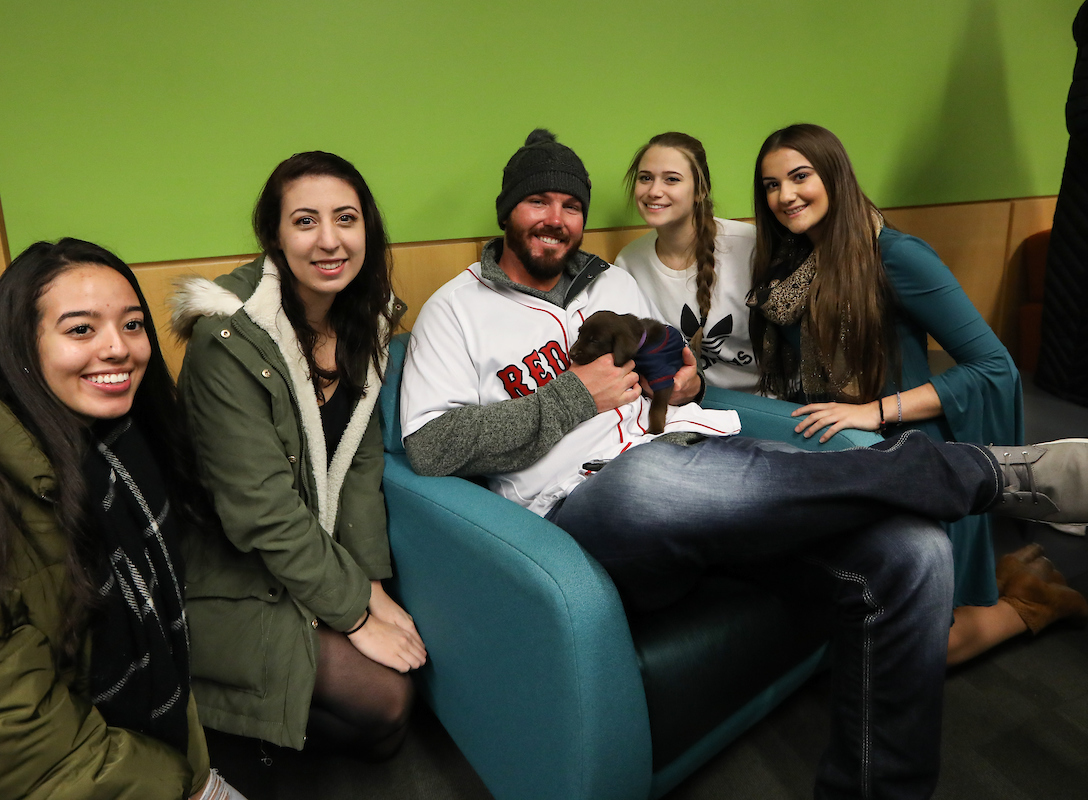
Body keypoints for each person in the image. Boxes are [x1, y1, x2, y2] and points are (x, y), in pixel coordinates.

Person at [399, 128, 1088, 800]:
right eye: (537, 201)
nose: (555, 219)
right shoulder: (454, 311)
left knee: (914, 552)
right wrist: (575, 395)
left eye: (570, 205)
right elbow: (431, 448)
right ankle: (977, 474)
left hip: (709, 467)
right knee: (648, 479)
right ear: (507, 211)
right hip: (597, 505)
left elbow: (670, 368)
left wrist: (681, 376)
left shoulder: (611, 281)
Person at [0, 239, 244, 799]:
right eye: (81, 330)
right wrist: (188, 788)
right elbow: (1, 748)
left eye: (132, 325)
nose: (118, 348)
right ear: (19, 345)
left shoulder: (117, 444)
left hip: (116, 749)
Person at [749, 123, 1088, 663]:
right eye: (770, 185)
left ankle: (1034, 600)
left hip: (912, 452)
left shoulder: (896, 255)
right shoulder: (789, 262)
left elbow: (994, 366)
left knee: (909, 651)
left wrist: (874, 411)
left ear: (833, 175)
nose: (785, 196)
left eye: (799, 176)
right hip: (842, 450)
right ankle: (1009, 571)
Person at [172, 151, 427, 775]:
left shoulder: (364, 320)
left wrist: (368, 580)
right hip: (228, 565)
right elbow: (259, 511)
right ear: (274, 236)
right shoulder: (226, 338)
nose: (330, 240)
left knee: (399, 707)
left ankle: (254, 726)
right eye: (305, 221)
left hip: (304, 552)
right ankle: (197, 719)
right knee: (387, 706)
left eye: (346, 218)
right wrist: (355, 611)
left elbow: (360, 466)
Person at [614, 132, 758, 391]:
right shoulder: (628, 262)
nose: (654, 191)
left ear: (700, 191)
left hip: (767, 400)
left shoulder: (750, 245)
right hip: (688, 405)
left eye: (671, 179)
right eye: (646, 178)